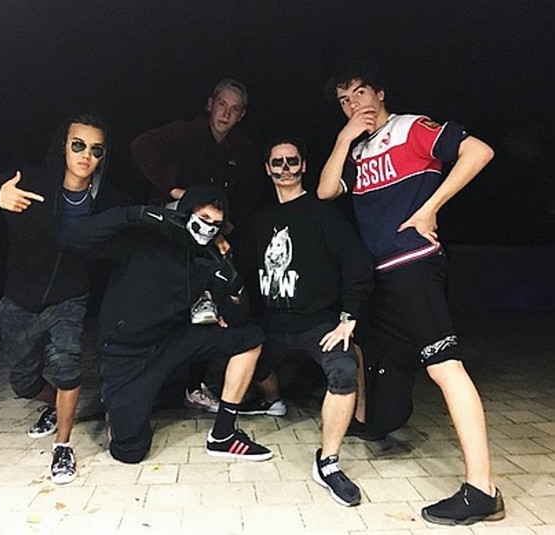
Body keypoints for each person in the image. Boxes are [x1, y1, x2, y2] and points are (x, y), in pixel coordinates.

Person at [317, 62, 505, 525]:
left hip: (413, 264)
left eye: (360, 93)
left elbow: (479, 151)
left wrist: (430, 209)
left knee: (444, 365)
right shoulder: (358, 150)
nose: (353, 104)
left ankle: (482, 489)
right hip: (379, 275)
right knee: (367, 348)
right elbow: (325, 191)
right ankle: (372, 424)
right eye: (344, 100)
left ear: (380, 92)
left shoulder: (411, 128)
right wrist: (343, 139)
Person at [0, 113, 109, 484]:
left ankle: (63, 446)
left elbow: (142, 219)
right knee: (23, 382)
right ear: (63, 146)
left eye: (96, 150)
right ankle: (54, 407)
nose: (86, 155)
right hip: (20, 299)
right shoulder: (29, 181)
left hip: (69, 297)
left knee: (67, 367)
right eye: (78, 145)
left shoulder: (103, 198)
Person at [60, 184, 273, 464]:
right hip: (127, 352)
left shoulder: (207, 258)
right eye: (203, 218)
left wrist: (234, 287)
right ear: (186, 213)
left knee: (250, 337)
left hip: (171, 340)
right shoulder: (146, 235)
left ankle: (223, 434)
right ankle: (117, 404)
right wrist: (132, 215)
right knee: (129, 451)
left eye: (215, 224)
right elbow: (73, 239)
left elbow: (237, 318)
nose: (208, 228)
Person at [238, 138, 372, 506]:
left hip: (318, 323)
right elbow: (241, 270)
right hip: (271, 323)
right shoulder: (259, 220)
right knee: (242, 359)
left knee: (343, 370)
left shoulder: (323, 213)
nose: (285, 169)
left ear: (304, 166)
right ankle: (273, 400)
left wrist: (348, 317)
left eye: (292, 161)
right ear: (267, 169)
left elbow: (356, 263)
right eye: (277, 162)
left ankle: (328, 462)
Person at [131, 78, 265, 412]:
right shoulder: (185, 133)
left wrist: (230, 223)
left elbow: (252, 190)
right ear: (210, 104)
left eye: (234, 109)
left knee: (212, 305)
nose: (226, 113)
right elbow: (141, 146)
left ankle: (194, 386)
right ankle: (143, 381)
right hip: (175, 224)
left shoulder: (242, 149)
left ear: (242, 115)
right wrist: (175, 191)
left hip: (213, 235)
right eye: (222, 104)